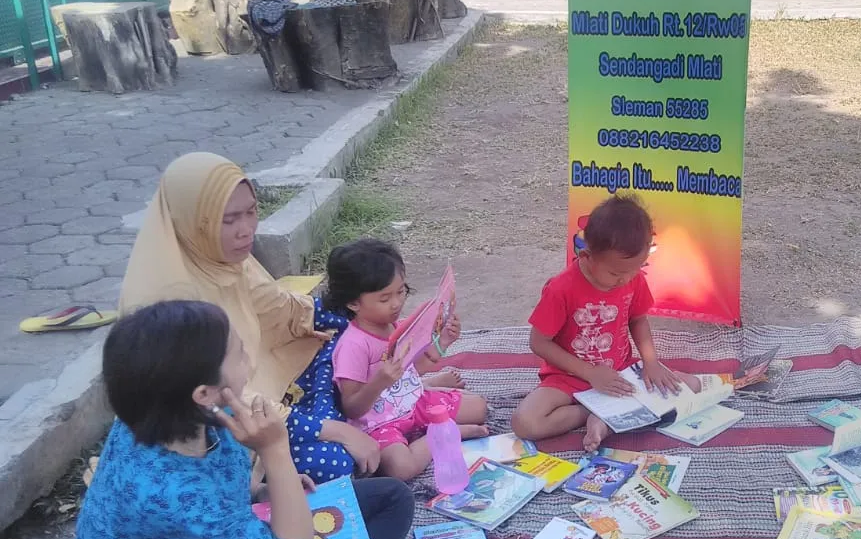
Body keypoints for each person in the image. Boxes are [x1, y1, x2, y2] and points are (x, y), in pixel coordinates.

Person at [118, 152, 384, 484]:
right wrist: (334, 430)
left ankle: (340, 412)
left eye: (251, 212)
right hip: (223, 420)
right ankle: (332, 426)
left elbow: (278, 307)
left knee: (352, 333)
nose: (246, 230)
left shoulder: (220, 255)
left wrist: (350, 320)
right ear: (192, 221)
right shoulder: (167, 305)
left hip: (265, 378)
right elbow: (223, 398)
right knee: (334, 462)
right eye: (229, 220)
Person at [67, 302, 295, 539]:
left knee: (381, 498)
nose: (249, 356)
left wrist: (265, 489)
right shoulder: (173, 493)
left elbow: (220, 481)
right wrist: (277, 454)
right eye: (239, 352)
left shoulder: (161, 411)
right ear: (203, 393)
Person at [512, 195, 683, 453]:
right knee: (525, 423)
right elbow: (538, 342)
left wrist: (651, 363)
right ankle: (592, 412)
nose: (626, 279)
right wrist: (590, 373)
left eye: (636, 269)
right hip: (569, 376)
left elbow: (638, 319)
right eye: (615, 273)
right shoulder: (561, 289)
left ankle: (604, 417)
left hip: (619, 374)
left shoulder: (632, 279)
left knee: (688, 387)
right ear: (587, 256)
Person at [326, 238, 489, 481]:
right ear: (353, 303)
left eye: (401, 292)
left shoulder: (396, 327)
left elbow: (414, 368)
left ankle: (431, 396)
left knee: (479, 408)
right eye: (384, 299)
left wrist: (443, 341)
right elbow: (352, 407)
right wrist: (380, 381)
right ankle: (444, 435)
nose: (396, 303)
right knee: (401, 469)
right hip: (380, 422)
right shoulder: (353, 345)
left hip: (412, 402)